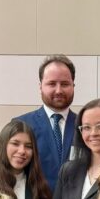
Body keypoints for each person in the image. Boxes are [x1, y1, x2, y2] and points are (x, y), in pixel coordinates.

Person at [15, 54, 77, 190]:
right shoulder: (21, 125)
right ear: (40, 86)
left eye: (65, 84)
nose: (59, 90)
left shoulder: (84, 126)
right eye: (52, 84)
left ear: (73, 85)